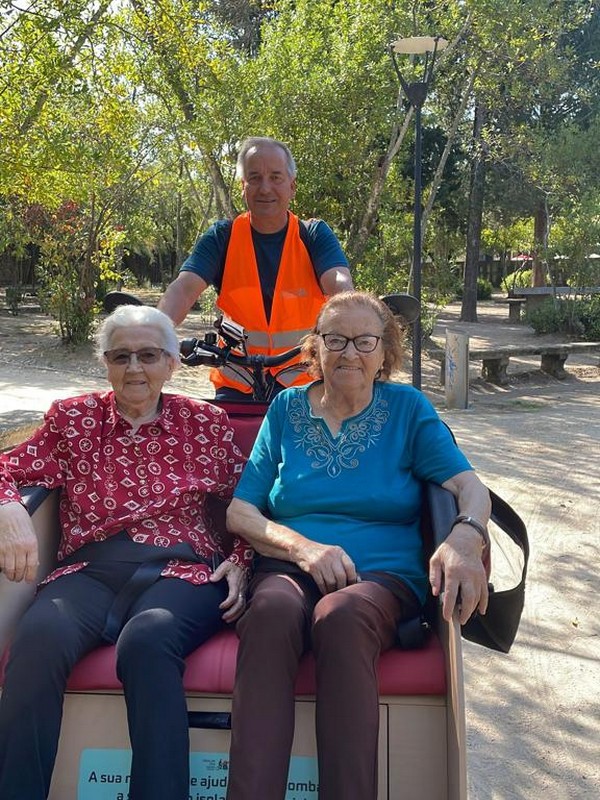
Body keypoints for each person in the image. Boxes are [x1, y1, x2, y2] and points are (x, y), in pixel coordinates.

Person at [224, 291, 491, 800]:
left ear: (385, 350)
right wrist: (303, 548)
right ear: (315, 349)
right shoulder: (284, 409)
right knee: (271, 612)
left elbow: (469, 487)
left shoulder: (407, 408)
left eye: (364, 341)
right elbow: (242, 512)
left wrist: (464, 536)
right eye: (335, 340)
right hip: (288, 566)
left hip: (382, 577)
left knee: (340, 616)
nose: (349, 353)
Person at [0, 305, 251, 800]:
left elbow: (252, 499)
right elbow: (8, 468)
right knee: (38, 639)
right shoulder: (71, 419)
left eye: (148, 355)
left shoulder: (206, 423)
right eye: (121, 356)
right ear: (106, 363)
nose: (134, 368)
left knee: (148, 639)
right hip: (88, 568)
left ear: (172, 362)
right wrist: (9, 509)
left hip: (182, 571)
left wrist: (243, 560)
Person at [158, 136, 354, 399]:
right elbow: (184, 289)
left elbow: (338, 282)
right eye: (255, 178)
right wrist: (154, 331)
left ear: (292, 186)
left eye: (275, 177)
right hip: (238, 381)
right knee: (226, 436)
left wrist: (356, 322)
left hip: (303, 381)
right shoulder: (222, 237)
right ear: (243, 186)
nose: (265, 188)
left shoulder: (314, 235)